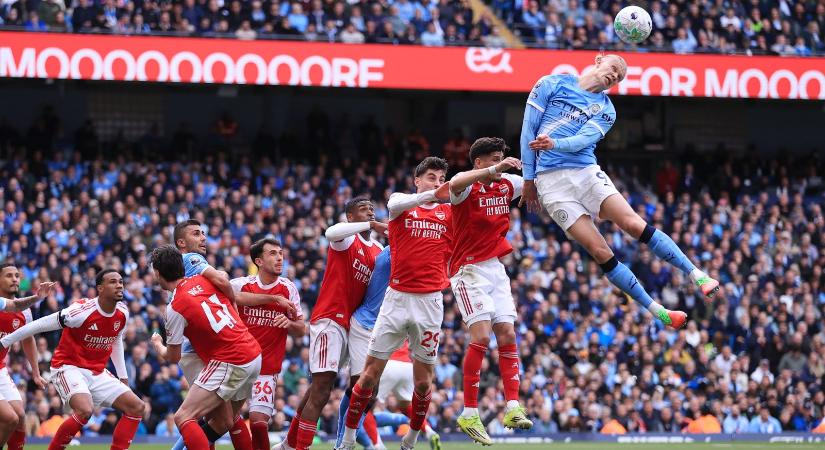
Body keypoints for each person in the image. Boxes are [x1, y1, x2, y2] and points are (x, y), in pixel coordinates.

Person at [519, 54, 720, 331]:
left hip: (585, 172)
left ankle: (697, 275)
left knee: (633, 224)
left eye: (620, 77)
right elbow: (527, 128)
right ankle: (658, 311)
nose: (615, 76)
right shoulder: (551, 83)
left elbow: (583, 140)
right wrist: (528, 179)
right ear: (599, 60)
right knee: (599, 250)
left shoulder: (606, 110)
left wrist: (555, 143)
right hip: (551, 184)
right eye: (614, 68)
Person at [339, 157, 452, 450]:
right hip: (397, 300)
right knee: (369, 376)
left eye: (441, 179)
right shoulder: (401, 204)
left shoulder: (449, 214)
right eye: (431, 177)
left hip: (430, 303)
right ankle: (350, 437)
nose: (437, 183)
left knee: (424, 384)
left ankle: (412, 438)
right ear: (417, 180)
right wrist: (438, 193)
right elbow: (395, 202)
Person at [167, 220, 296, 450]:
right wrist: (227, 289)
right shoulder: (191, 260)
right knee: (212, 418)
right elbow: (223, 283)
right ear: (181, 243)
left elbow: (227, 289)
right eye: (196, 234)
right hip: (202, 352)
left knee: (223, 419)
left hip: (218, 352)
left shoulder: (193, 273)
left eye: (203, 233)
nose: (203, 238)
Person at [280, 197, 385, 450]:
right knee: (322, 388)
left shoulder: (378, 250)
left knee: (367, 388)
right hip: (330, 319)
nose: (370, 212)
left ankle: (290, 444)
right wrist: (367, 225)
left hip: (357, 326)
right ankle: (298, 447)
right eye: (363, 209)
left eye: (372, 209)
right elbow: (330, 232)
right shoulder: (346, 238)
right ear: (350, 216)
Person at [447, 138, 532, 445]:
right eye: (494, 159)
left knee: (507, 334)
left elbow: (535, 181)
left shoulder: (507, 184)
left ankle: (512, 406)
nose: (501, 163)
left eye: (502, 158)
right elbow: (454, 181)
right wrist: (497, 168)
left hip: (495, 268)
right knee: (481, 337)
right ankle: (469, 411)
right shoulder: (467, 188)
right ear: (479, 163)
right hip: (467, 270)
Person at [0, 270, 145, 450]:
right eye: (113, 282)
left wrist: (123, 378)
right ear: (100, 288)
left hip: (97, 372)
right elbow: (39, 325)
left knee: (137, 407)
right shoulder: (80, 312)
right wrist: (5, 341)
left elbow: (116, 341)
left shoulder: (123, 312)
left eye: (121, 282)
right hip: (68, 367)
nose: (119, 285)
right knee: (85, 410)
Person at [150, 245, 262, 450]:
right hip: (253, 354)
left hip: (230, 359)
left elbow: (173, 357)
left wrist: (158, 345)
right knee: (227, 420)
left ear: (158, 273)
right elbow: (223, 278)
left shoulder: (174, 307)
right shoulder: (202, 279)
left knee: (184, 417)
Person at [230, 238, 306, 450]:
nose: (280, 257)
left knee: (259, 423)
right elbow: (229, 295)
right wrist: (272, 300)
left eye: (281, 253)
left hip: (266, 368)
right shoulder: (241, 284)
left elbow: (302, 329)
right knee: (223, 419)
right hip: (237, 365)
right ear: (259, 261)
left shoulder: (288, 288)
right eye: (272, 253)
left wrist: (289, 323)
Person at [0, 264, 52, 448]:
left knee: (20, 416)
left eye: (17, 276)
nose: (15, 279)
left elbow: (28, 340)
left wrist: (36, 373)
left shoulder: (25, 311)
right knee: (10, 418)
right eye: (8, 276)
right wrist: (38, 297)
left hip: (0, 369)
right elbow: (12, 306)